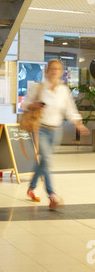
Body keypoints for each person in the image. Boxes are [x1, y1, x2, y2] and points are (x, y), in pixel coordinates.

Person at [24, 59, 89, 209]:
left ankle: (31, 186)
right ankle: (52, 195)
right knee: (46, 159)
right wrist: (34, 104)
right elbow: (25, 104)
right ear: (47, 71)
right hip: (39, 128)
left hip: (56, 130)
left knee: (44, 161)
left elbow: (70, 109)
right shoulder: (38, 87)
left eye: (58, 69)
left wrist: (78, 123)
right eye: (52, 68)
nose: (55, 71)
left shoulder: (63, 90)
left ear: (61, 72)